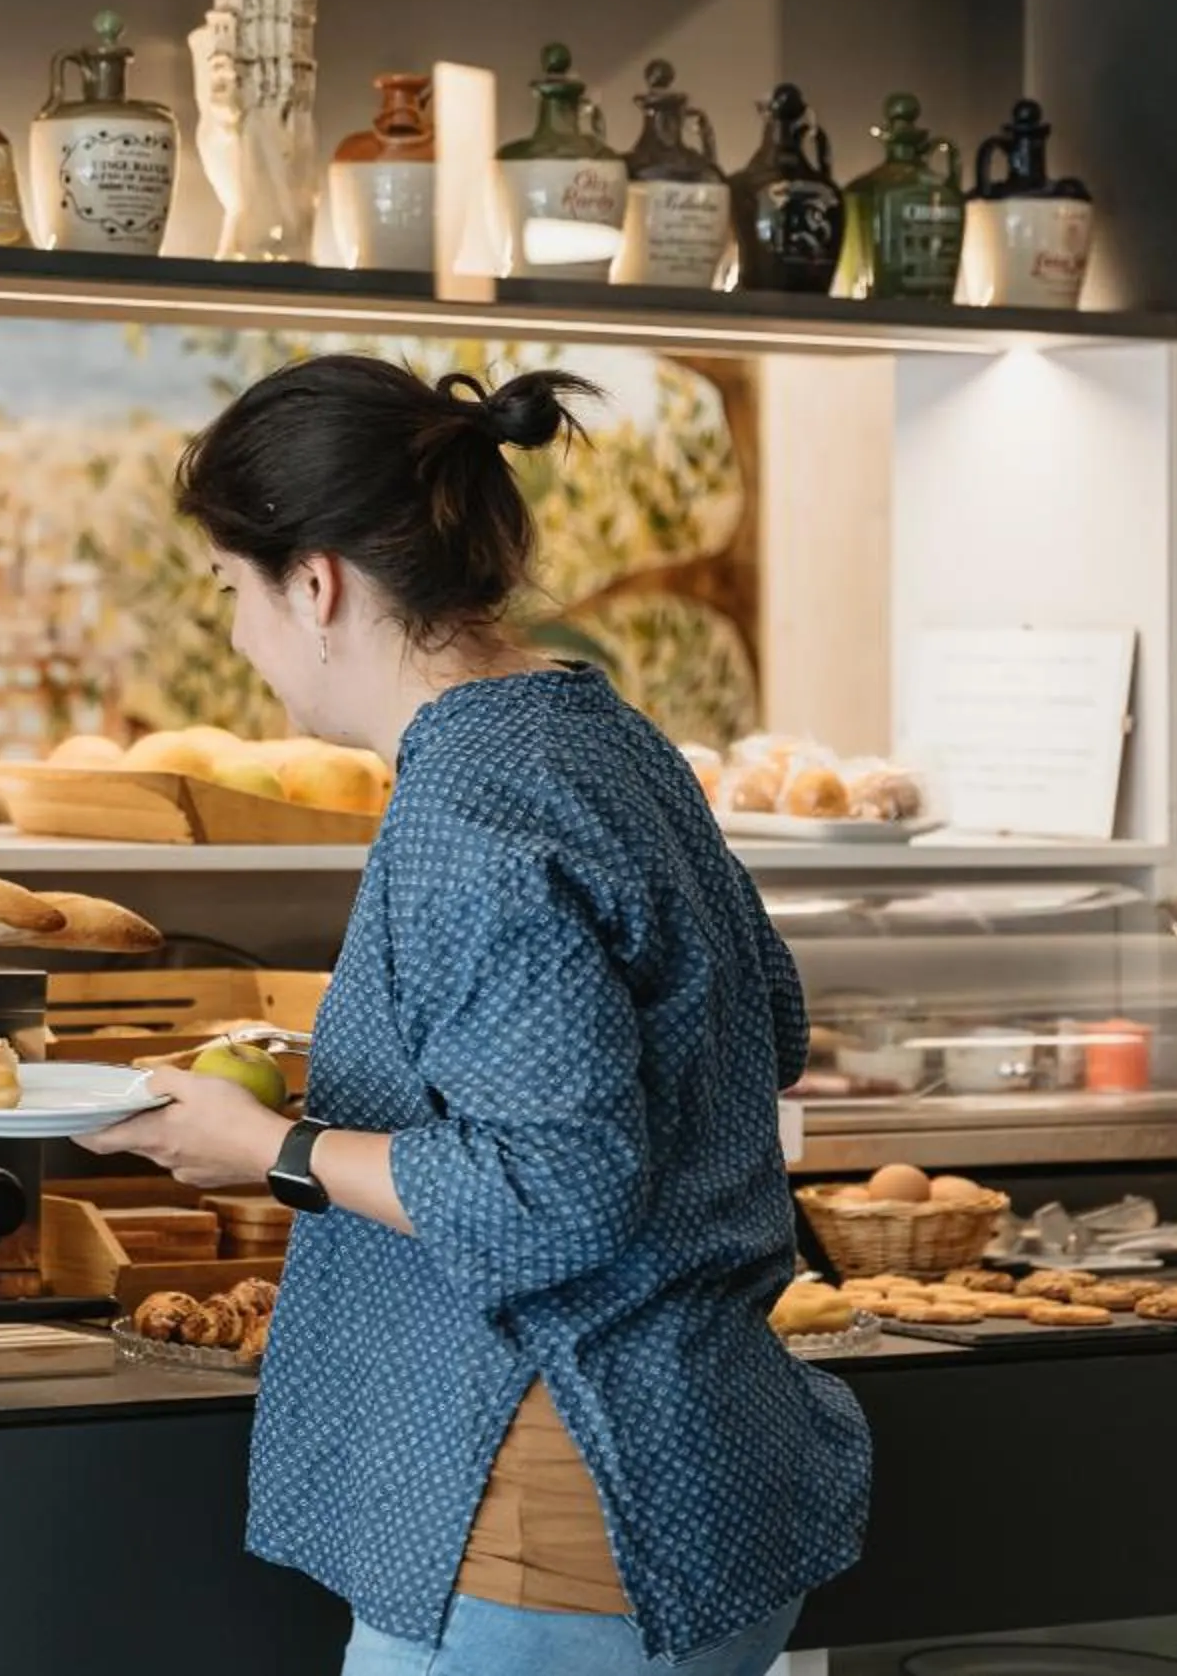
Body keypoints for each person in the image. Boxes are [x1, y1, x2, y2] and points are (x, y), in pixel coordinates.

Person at [76, 355, 870, 1675]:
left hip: (549, 1523)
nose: (236, 637)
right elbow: (758, 1025)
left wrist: (268, 1149)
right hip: (715, 1493)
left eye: (230, 590)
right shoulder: (606, 736)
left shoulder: (466, 802)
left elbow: (557, 1190)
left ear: (315, 585)